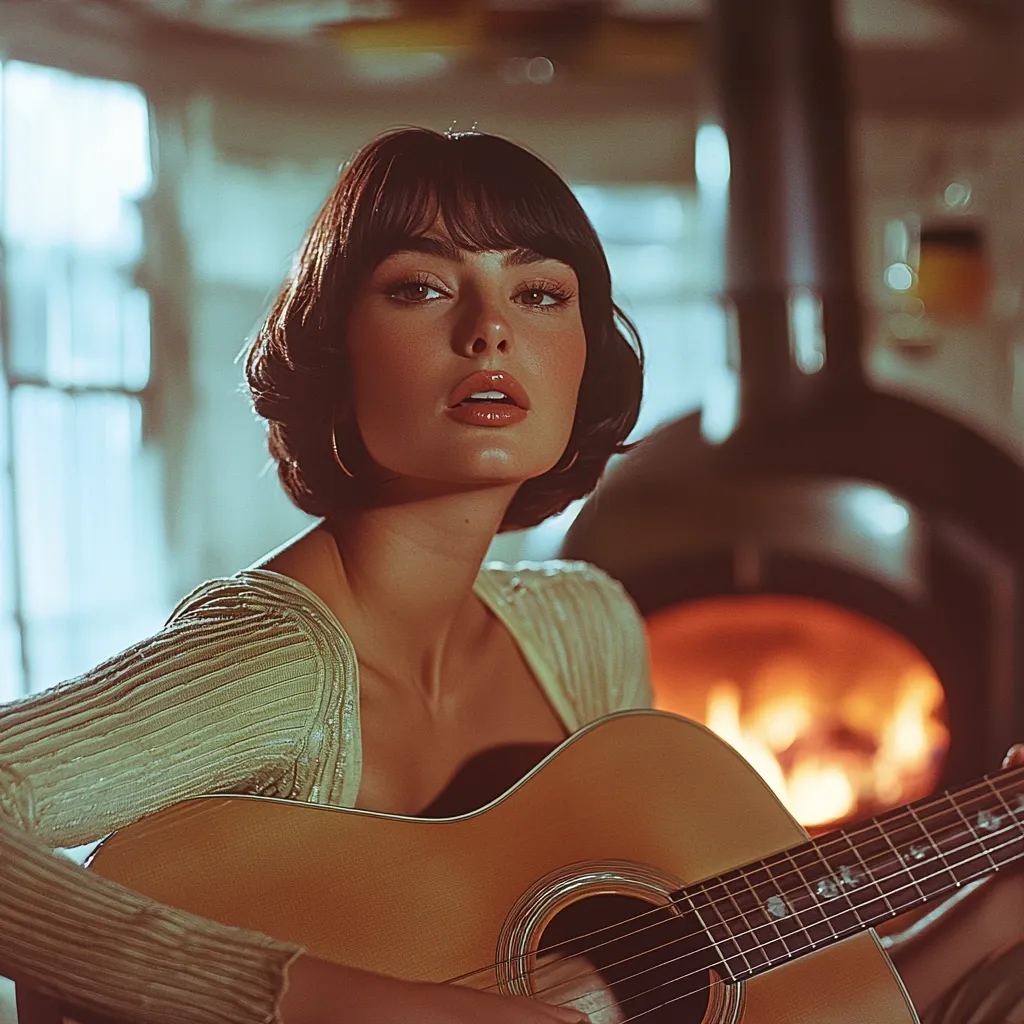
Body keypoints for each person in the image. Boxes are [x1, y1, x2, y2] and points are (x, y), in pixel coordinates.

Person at [0, 126, 1021, 1024]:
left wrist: (998, 905)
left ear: (584, 359)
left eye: (539, 294)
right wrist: (325, 999)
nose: (488, 330)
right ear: (332, 349)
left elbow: (760, 1000)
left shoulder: (586, 630)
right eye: (420, 287)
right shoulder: (277, 665)